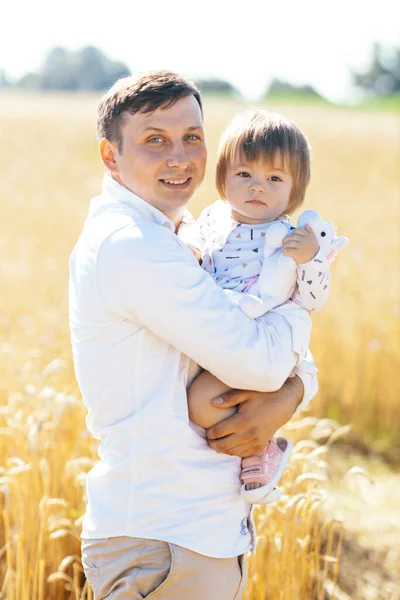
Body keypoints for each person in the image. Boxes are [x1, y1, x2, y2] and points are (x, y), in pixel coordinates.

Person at [69, 71, 318, 600]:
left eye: (193, 137)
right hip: (163, 540)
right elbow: (261, 363)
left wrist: (295, 387)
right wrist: (292, 386)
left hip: (186, 537)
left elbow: (262, 342)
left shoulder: (186, 237)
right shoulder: (134, 245)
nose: (180, 157)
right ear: (110, 156)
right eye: (154, 140)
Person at [186, 110, 334, 505]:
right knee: (204, 400)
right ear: (222, 178)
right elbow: (198, 251)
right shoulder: (213, 219)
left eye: (274, 178)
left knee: (203, 405)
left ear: (294, 190)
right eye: (244, 174)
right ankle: (256, 445)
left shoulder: (286, 238)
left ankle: (262, 447)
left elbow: (311, 302)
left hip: (259, 338)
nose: (257, 187)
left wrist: (312, 259)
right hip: (221, 330)